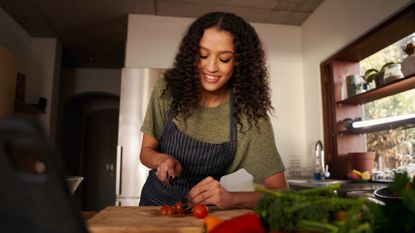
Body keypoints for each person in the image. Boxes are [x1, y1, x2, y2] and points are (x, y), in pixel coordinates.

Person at [139, 11, 288, 209]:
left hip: (205, 215)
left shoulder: (250, 119)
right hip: (153, 208)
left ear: (239, 63)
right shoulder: (168, 90)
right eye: (203, 55)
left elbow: (280, 193)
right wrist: (162, 160)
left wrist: (234, 199)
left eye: (224, 59)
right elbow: (145, 152)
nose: (211, 67)